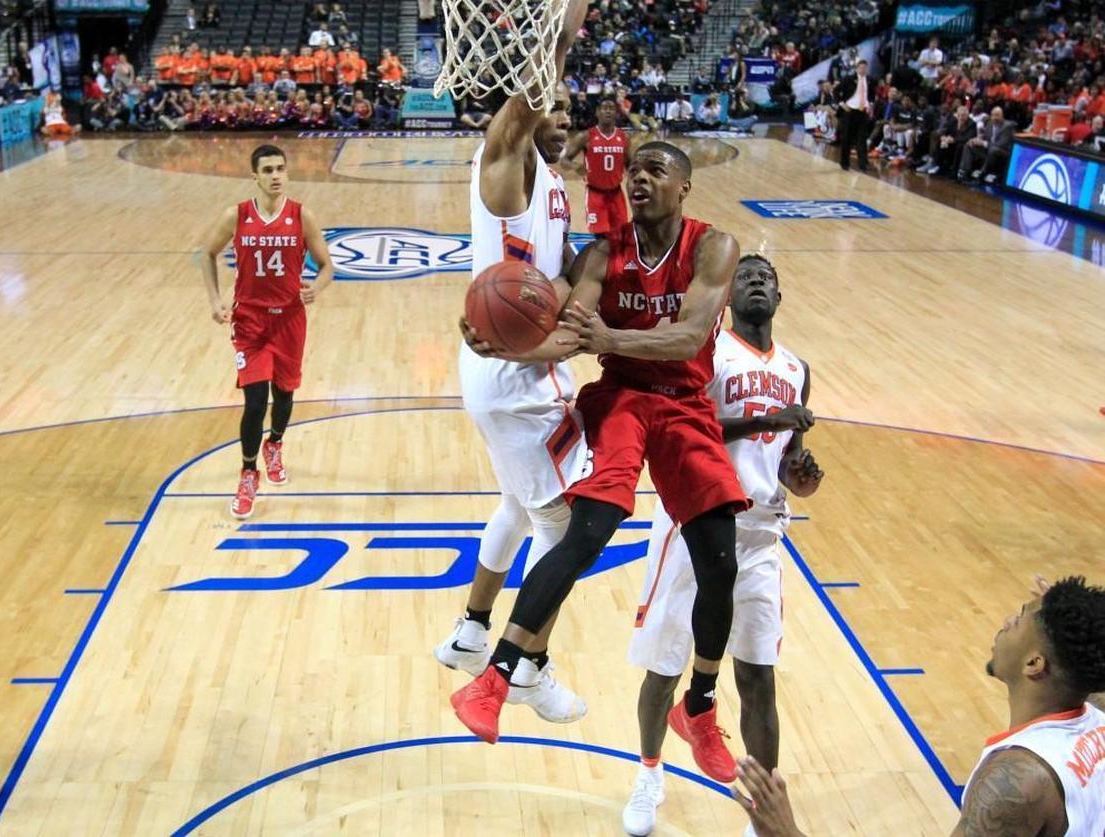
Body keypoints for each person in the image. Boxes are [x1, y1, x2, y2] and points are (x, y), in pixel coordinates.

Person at [451, 140, 749, 786]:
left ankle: (698, 706)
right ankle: (496, 677)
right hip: (621, 399)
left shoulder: (713, 246)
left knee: (720, 559)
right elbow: (559, 320)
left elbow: (690, 334)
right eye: (633, 171)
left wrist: (608, 337)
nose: (639, 179)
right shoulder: (600, 253)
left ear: (684, 187)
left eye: (655, 171)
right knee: (587, 530)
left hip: (686, 404)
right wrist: (498, 345)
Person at [622, 254, 822, 836]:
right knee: (665, 668)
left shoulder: (796, 368)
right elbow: (685, 425)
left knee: (758, 677)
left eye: (768, 279)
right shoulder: (707, 352)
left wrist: (800, 475)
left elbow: (784, 456)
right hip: (695, 521)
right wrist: (773, 416)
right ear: (729, 297)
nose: (758, 283)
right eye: (747, 278)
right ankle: (648, 773)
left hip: (760, 532)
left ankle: (764, 814)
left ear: (779, 299)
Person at [433, 0, 592, 723]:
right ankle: (528, 667)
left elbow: (556, 284)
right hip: (518, 374)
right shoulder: (504, 164)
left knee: (515, 507)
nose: (563, 112)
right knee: (565, 525)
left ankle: (471, 630)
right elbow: (544, 65)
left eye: (565, 107)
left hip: (510, 368)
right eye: (551, 106)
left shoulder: (547, 183)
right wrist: (564, 21)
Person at [732, 576, 1105, 837]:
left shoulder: (1020, 782)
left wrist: (787, 833)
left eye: (1020, 617)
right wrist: (1074, 625)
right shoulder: (1094, 713)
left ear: (1034, 665)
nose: (1008, 621)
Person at [196, 145, 333, 519]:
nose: (276, 175)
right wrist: (214, 300)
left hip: (289, 319)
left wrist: (316, 288)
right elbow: (206, 253)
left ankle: (275, 443)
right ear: (253, 176)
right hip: (250, 322)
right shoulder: (236, 215)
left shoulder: (302, 216)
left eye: (281, 169)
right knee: (255, 401)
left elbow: (327, 267)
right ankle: (248, 472)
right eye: (268, 169)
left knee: (284, 394)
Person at [564, 97, 630, 238]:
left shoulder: (623, 137)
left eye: (611, 108)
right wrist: (576, 167)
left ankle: (618, 260)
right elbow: (564, 160)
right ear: (597, 112)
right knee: (600, 237)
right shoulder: (586, 136)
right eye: (604, 108)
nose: (608, 111)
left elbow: (630, 164)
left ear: (616, 113)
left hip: (617, 193)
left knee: (620, 234)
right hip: (596, 194)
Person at [958, 105, 1014, 183]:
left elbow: (1001, 145)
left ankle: (981, 175)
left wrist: (984, 143)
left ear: (1002, 116)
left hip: (1001, 154)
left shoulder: (1008, 126)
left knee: (993, 150)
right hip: (989, 150)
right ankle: (964, 173)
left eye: (997, 115)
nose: (995, 118)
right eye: (993, 115)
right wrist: (977, 139)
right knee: (969, 144)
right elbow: (985, 137)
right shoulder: (990, 123)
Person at [837, 59, 873, 171]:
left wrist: (870, 104)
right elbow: (836, 91)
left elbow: (871, 94)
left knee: (862, 138)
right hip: (850, 111)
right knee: (846, 138)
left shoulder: (870, 80)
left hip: (862, 112)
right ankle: (844, 163)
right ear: (857, 68)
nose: (863, 70)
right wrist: (842, 104)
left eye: (865, 68)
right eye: (861, 67)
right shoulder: (849, 79)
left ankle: (863, 164)